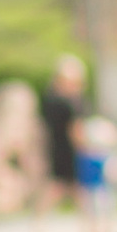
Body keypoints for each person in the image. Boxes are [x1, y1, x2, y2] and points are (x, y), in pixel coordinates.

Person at [38, 53, 86, 213]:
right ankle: (93, 228)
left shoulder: (50, 99)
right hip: (68, 151)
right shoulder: (70, 103)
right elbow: (76, 130)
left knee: (65, 189)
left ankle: (92, 228)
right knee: (69, 189)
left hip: (55, 148)